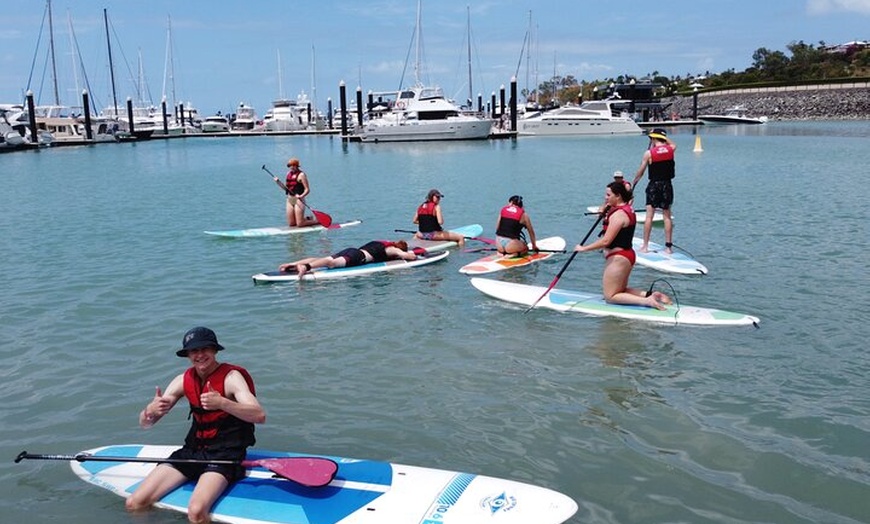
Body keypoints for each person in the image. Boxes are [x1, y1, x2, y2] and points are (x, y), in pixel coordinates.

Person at [126, 327, 266, 523]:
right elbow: (146, 424)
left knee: (196, 511)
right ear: (187, 355)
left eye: (205, 349)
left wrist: (223, 403)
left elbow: (259, 415)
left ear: (215, 350)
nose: (199, 355)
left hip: (225, 454)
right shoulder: (182, 380)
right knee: (134, 502)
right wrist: (150, 411)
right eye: (194, 351)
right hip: (193, 451)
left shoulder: (231, 378)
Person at [574, 182, 671, 310]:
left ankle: (648, 301)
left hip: (619, 258)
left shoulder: (619, 215)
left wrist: (584, 249)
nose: (606, 197)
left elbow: (606, 241)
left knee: (610, 296)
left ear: (618, 196)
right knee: (621, 290)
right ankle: (651, 295)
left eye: (608, 195)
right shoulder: (627, 209)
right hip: (627, 255)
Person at [631, 128, 676, 253]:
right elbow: (672, 144)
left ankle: (645, 246)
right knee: (666, 216)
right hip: (667, 185)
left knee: (649, 216)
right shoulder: (671, 149)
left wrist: (635, 180)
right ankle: (668, 247)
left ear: (653, 138)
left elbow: (641, 171)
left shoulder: (649, 153)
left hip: (654, 186)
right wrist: (659, 136)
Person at [278, 239, 417, 277]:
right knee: (331, 263)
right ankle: (306, 267)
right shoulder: (392, 249)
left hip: (352, 250)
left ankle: (292, 263)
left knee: (321, 258)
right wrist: (414, 255)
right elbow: (407, 256)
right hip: (358, 257)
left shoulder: (380, 242)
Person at [278, 158, 319, 228]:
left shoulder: (301, 175)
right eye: (289, 165)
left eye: (293, 165)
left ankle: (318, 221)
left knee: (300, 224)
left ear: (297, 166)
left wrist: (301, 196)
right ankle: (308, 218)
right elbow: (286, 189)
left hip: (299, 200)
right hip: (290, 200)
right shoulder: (288, 174)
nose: (291, 167)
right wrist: (278, 182)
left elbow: (307, 190)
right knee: (292, 224)